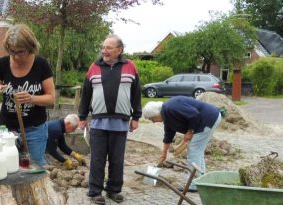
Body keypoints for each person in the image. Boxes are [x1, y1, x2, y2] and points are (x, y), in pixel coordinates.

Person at [78, 35, 141, 204]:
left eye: (109, 47)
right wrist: (82, 117)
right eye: (103, 47)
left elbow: (136, 94)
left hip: (120, 123)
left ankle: (113, 190)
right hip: (98, 122)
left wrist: (136, 117)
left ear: (119, 50)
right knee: (97, 159)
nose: (104, 50)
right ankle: (95, 192)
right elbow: (86, 94)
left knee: (117, 160)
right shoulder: (94, 67)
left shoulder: (130, 67)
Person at [0, 24, 55, 166]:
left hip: (35, 129)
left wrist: (32, 98)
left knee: (34, 168)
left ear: (30, 47)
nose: (16, 56)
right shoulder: (1, 64)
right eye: (12, 52)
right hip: (7, 130)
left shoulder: (41, 65)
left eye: (20, 52)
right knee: (7, 166)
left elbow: (51, 99)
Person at [142, 96, 222, 192]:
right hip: (209, 118)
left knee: (193, 151)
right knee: (197, 151)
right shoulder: (166, 114)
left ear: (155, 114)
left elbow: (195, 115)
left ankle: (194, 184)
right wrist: (164, 153)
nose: (154, 122)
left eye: (152, 119)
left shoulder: (171, 108)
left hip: (208, 118)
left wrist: (190, 131)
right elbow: (168, 135)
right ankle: (202, 181)